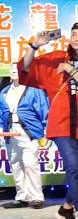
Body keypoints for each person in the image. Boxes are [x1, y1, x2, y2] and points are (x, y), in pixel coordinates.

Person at [19, 23, 78, 219]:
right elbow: (24, 69)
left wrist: (69, 69)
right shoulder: (55, 57)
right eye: (73, 34)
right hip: (61, 124)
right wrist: (34, 46)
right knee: (74, 167)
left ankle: (66, 207)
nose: (76, 38)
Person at [0, 64, 49, 208]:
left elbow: (43, 110)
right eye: (12, 69)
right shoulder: (4, 92)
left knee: (30, 163)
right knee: (15, 163)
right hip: (10, 131)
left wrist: (46, 130)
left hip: (30, 132)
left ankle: (36, 197)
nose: (14, 71)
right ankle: (22, 196)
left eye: (18, 69)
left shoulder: (34, 90)